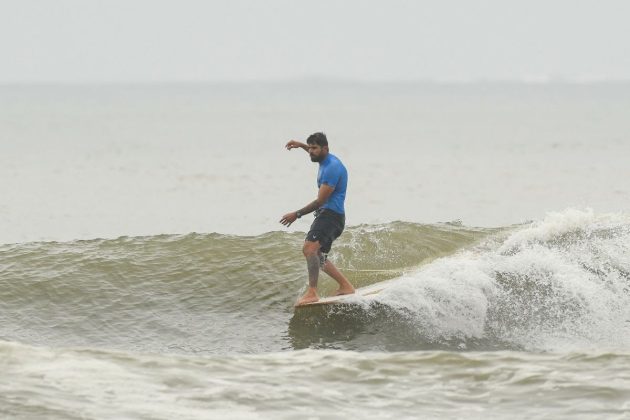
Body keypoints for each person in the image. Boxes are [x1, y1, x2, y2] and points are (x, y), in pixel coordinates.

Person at [280, 132, 355, 306]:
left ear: (325, 148)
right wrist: (300, 145)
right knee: (318, 256)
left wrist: (296, 215)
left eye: (314, 148)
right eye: (310, 148)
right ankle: (346, 286)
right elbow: (313, 151)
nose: (311, 152)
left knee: (309, 249)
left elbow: (321, 201)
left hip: (331, 215)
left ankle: (312, 292)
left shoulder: (332, 168)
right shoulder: (324, 159)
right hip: (329, 215)